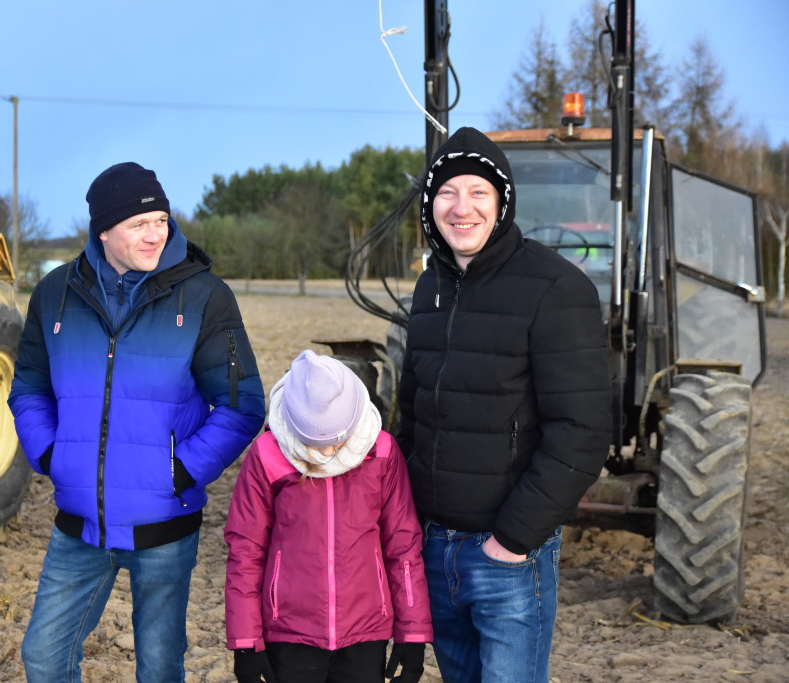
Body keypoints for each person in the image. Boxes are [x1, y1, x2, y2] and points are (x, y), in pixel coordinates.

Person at [8, 161, 266, 682]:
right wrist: (55, 457)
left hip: (164, 527)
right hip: (80, 526)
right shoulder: (55, 294)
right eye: (138, 225)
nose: (155, 235)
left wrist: (178, 471)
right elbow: (29, 388)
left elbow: (242, 405)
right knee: (43, 657)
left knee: (158, 669)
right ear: (103, 231)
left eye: (162, 222)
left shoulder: (204, 296)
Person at [396, 127, 612, 683]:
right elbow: (411, 415)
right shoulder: (430, 288)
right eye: (447, 192)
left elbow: (582, 431)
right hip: (434, 547)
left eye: (478, 193)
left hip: (507, 558)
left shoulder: (555, 288)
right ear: (430, 204)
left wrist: (512, 541)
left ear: (502, 202)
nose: (461, 208)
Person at [225, 349, 432, 683]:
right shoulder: (266, 454)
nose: (326, 453)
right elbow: (245, 552)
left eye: (336, 442)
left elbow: (403, 546)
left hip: (366, 633)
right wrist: (246, 641)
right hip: (290, 632)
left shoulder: (381, 453)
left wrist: (413, 633)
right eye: (313, 443)